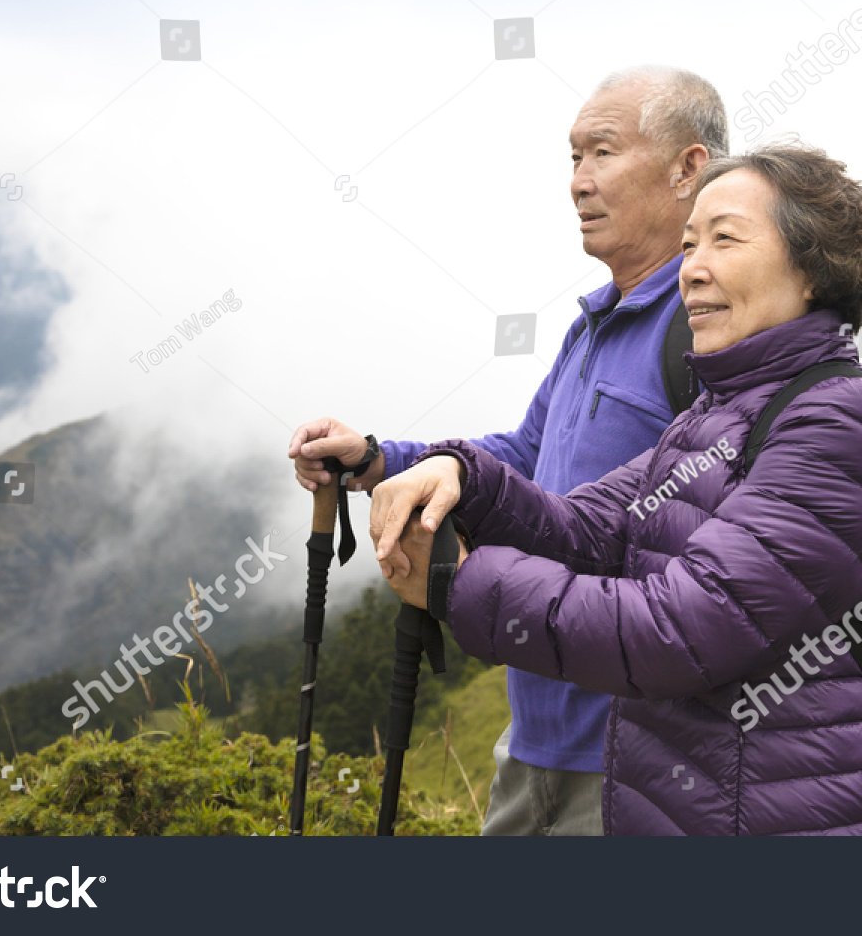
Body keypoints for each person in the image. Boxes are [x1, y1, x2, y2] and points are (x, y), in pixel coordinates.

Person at [371, 142, 862, 835]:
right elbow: (582, 530)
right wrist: (465, 473)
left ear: (813, 268)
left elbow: (674, 630)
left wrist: (457, 587)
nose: (691, 270)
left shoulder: (841, 423)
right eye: (689, 242)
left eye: (724, 240)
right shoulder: (717, 413)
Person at [287, 66, 728, 835]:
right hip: (533, 742)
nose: (578, 182)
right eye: (572, 158)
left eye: (602, 153)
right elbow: (525, 453)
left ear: (688, 168)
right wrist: (376, 459)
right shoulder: (595, 323)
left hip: (638, 757)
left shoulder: (709, 331)